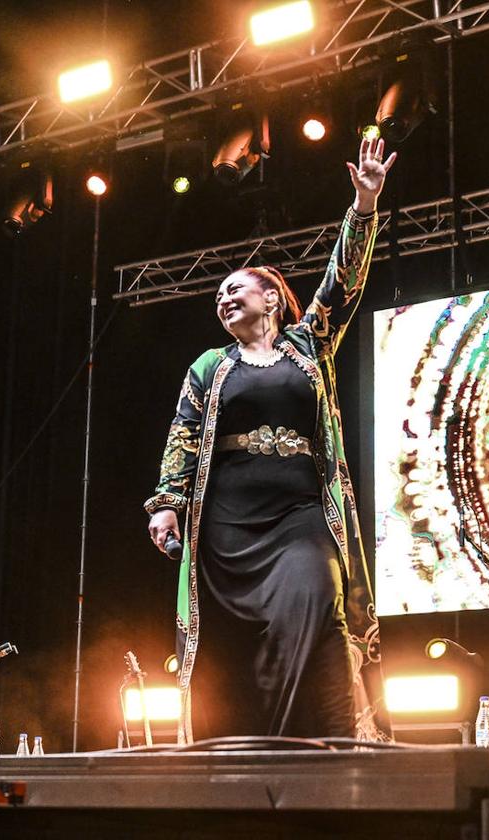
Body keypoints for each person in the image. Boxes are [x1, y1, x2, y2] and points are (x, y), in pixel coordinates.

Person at [145, 138, 396, 743]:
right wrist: (165, 503)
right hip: (228, 525)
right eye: (218, 297)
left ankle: (327, 742)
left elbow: (345, 281)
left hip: (301, 515)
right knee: (240, 648)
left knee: (315, 596)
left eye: (236, 289)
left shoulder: (309, 347)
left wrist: (364, 204)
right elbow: (183, 434)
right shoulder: (210, 366)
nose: (224, 298)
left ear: (273, 299)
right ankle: (245, 755)